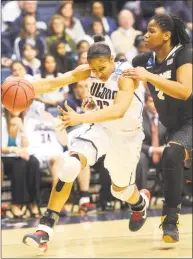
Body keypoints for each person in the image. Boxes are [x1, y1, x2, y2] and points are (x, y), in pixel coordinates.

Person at [22, 35, 150, 251]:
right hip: (99, 128)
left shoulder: (126, 75)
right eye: (93, 69)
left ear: (111, 60)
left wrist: (80, 117)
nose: (97, 74)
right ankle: (45, 228)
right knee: (70, 164)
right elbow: (54, 82)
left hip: (126, 135)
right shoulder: (89, 70)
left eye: (102, 68)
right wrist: (27, 87)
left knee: (120, 190)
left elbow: (118, 110)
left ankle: (140, 203)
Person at [122, 14, 192, 243]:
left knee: (171, 153)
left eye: (152, 31)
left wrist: (149, 76)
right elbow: (120, 74)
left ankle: (170, 221)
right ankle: (148, 209)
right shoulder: (145, 60)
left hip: (191, 121)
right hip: (173, 127)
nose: (146, 34)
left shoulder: (184, 54)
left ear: (167, 35)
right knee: (177, 165)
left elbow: (184, 91)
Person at [1, 109, 41, 218]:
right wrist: (14, 149)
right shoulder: (2, 120)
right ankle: (16, 203)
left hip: (20, 156)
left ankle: (33, 203)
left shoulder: (26, 121)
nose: (16, 109)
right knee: (19, 165)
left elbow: (25, 146)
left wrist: (22, 129)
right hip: (5, 157)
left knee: (34, 162)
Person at [136, 91, 167, 189]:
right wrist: (154, 150)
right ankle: (142, 197)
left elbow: (172, 136)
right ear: (145, 103)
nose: (155, 104)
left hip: (163, 153)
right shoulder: (138, 117)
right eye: (151, 101)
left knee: (172, 155)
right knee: (140, 159)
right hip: (145, 153)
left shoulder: (166, 116)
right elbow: (136, 143)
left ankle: (174, 197)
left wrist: (167, 148)